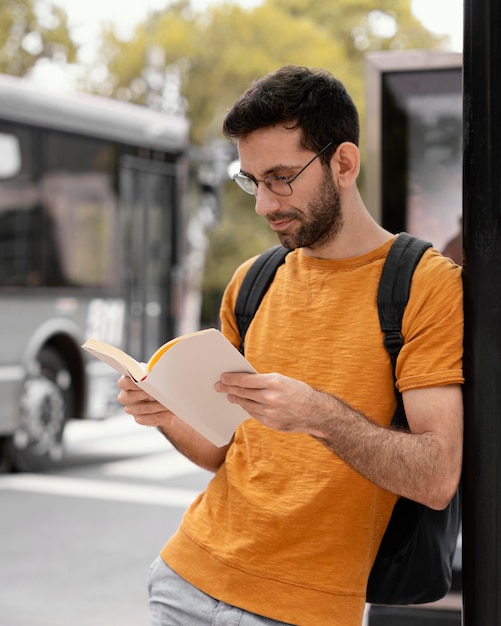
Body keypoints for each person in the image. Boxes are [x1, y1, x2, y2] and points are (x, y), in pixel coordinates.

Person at [118, 66, 464, 626]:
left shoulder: (425, 283)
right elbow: (220, 452)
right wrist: (163, 413)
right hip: (185, 578)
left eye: (281, 177)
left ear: (343, 163)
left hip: (303, 609)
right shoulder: (252, 282)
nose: (263, 204)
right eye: (251, 180)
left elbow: (437, 477)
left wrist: (319, 415)